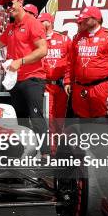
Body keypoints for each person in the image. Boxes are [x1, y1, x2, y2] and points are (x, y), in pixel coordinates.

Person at [0, 0, 48, 132]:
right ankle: (27, 151)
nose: (8, 8)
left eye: (10, 3)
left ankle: (45, 154)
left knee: (36, 118)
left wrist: (20, 61)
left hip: (32, 79)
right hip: (16, 80)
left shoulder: (32, 23)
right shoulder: (11, 27)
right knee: (20, 120)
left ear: (20, 3)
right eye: (5, 6)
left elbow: (42, 50)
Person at [65, 6, 108, 118]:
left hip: (100, 87)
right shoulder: (77, 37)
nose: (83, 21)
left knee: (100, 121)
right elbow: (70, 62)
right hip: (79, 87)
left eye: (86, 18)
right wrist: (67, 80)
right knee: (80, 120)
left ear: (96, 19)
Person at [38, 12, 70, 147]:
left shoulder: (64, 40)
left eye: (41, 22)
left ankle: (60, 149)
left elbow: (71, 62)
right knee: (48, 118)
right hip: (45, 85)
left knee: (60, 119)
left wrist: (68, 81)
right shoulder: (37, 40)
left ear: (49, 22)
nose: (38, 24)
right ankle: (51, 149)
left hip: (61, 85)